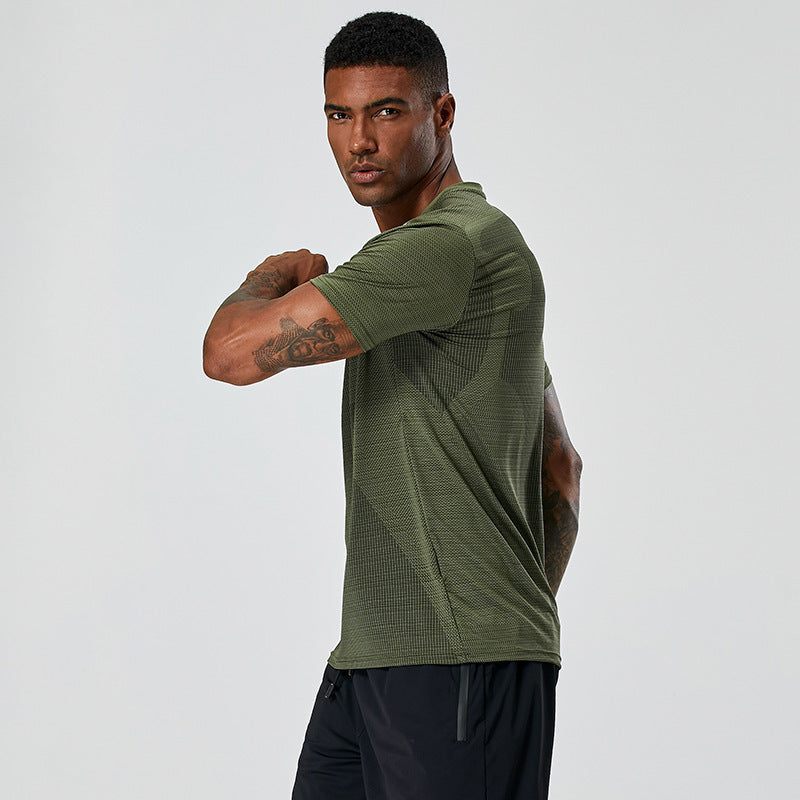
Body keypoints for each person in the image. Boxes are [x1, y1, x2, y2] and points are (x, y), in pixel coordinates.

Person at [203, 11, 582, 800]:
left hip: (452, 669)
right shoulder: (474, 249)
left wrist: (274, 275)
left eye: (386, 111)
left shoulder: (444, 246)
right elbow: (561, 465)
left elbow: (229, 353)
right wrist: (508, 617)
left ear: (442, 113)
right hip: (375, 660)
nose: (359, 142)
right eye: (339, 115)